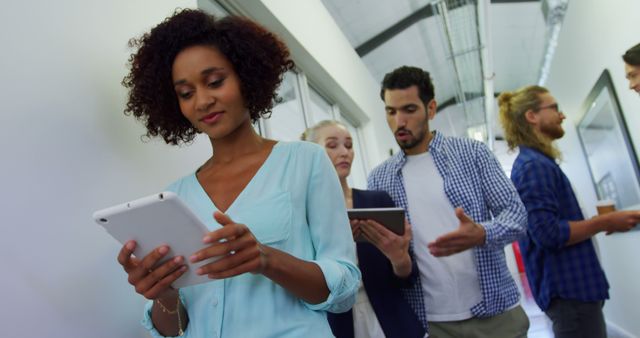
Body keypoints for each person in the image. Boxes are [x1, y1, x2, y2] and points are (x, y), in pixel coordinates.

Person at [117, 9, 360, 338]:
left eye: (215, 82)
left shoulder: (305, 161)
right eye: (186, 93)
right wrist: (164, 294)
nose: (203, 100)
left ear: (246, 76)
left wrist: (266, 259)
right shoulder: (177, 196)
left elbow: (343, 288)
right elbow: (174, 330)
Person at [368, 66, 530, 338]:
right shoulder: (380, 178)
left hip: (496, 314)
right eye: (391, 111)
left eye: (409, 109)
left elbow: (516, 215)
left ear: (430, 109)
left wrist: (481, 233)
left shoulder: (472, 154)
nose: (399, 122)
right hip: (432, 322)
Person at [498, 85, 640, 338]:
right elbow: (548, 233)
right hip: (569, 294)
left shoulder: (540, 163)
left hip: (575, 292)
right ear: (531, 116)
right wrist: (604, 221)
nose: (562, 115)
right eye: (554, 108)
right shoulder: (533, 167)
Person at [302, 120, 426, 338]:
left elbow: (408, 278)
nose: (344, 153)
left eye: (349, 145)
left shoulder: (377, 201)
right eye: (332, 145)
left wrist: (400, 259)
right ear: (312, 153)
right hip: (336, 326)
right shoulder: (304, 215)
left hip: (394, 321)